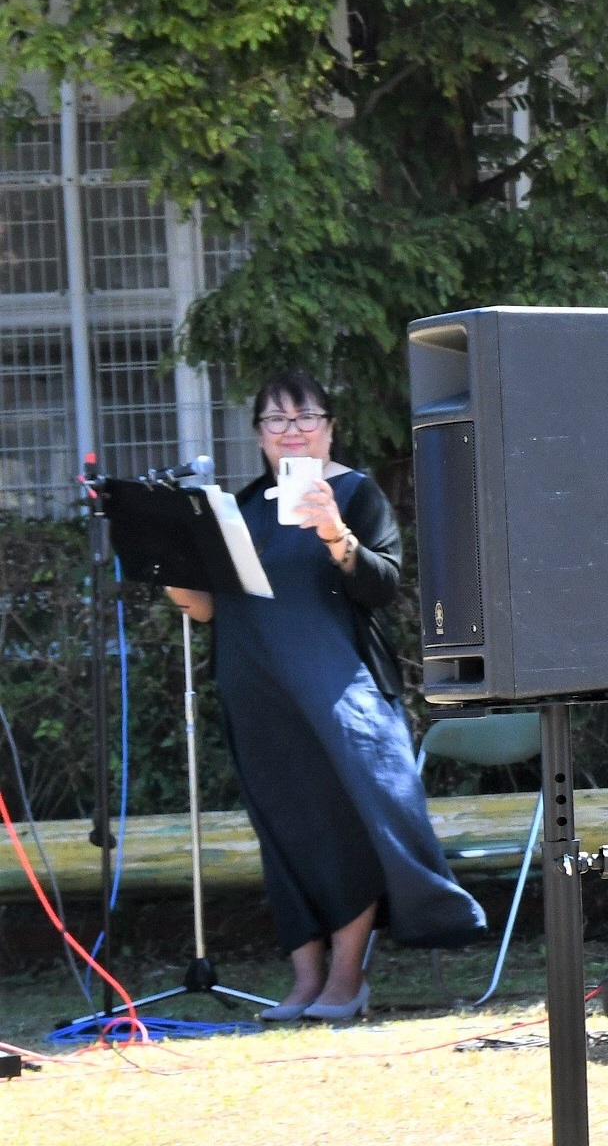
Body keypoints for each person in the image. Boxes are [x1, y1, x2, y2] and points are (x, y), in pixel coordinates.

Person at [166, 373, 483, 1020]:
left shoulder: (356, 493)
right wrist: (171, 571)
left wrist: (337, 534)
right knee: (283, 831)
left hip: (341, 695)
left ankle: (346, 979)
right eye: (275, 421)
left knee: (345, 828)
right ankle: (304, 981)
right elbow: (207, 609)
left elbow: (384, 586)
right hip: (257, 696)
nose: (291, 431)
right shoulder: (241, 505)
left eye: (304, 417)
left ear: (330, 427)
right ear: (258, 434)